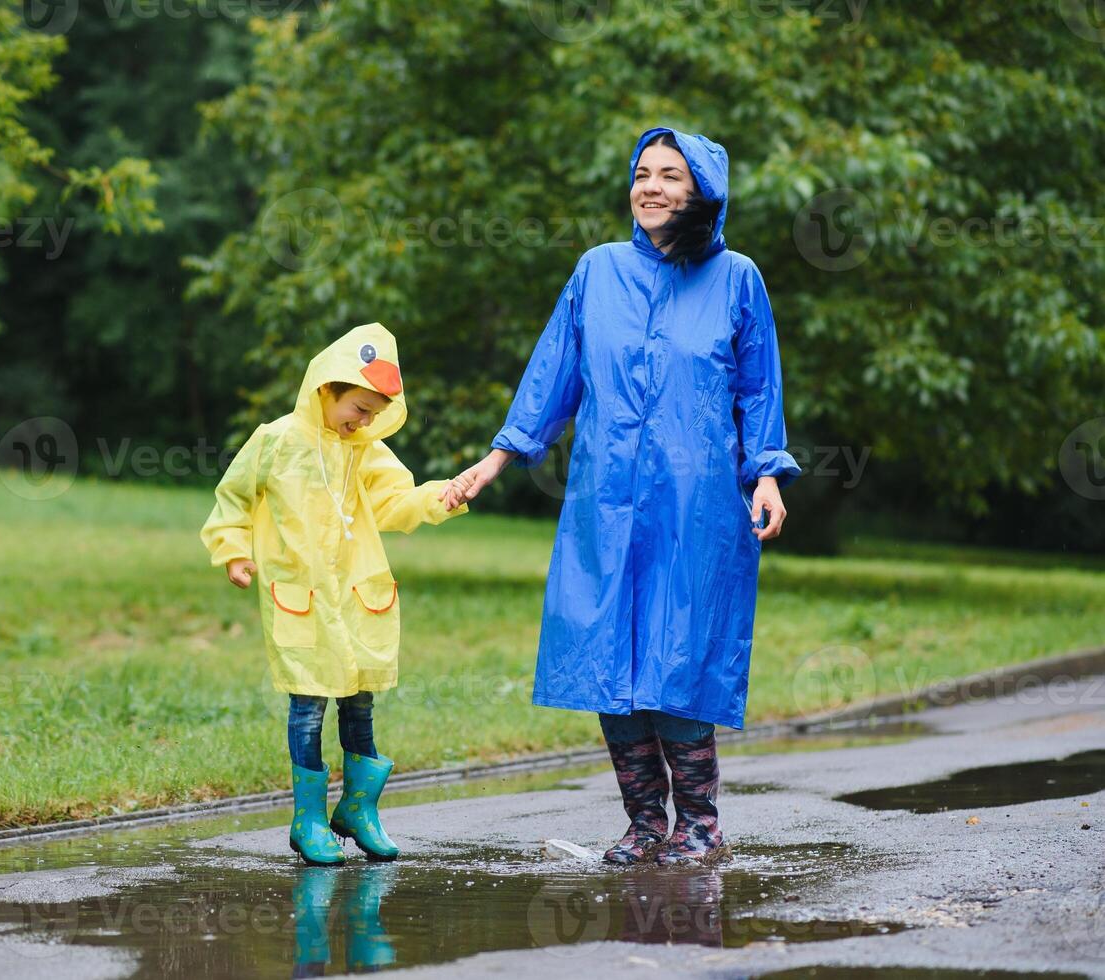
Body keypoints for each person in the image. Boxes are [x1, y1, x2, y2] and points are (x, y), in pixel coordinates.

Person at [442, 127, 801, 867]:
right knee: (612, 657)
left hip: (696, 507)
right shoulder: (596, 272)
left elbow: (759, 386)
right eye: (643, 173)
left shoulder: (737, 278)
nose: (652, 187)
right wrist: (497, 458)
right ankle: (644, 824)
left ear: (703, 191)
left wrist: (766, 473)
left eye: (672, 175)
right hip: (605, 502)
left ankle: (698, 824)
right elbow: (554, 373)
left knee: (680, 658)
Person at [201, 322, 468, 866]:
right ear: (326, 389)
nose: (365, 421)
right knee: (307, 705)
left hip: (355, 597)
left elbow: (396, 503)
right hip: (300, 598)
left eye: (373, 414)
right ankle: (308, 819)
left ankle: (358, 809)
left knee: (359, 702)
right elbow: (233, 495)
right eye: (358, 409)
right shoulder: (275, 441)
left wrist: (442, 496)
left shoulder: (365, 451)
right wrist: (233, 549)